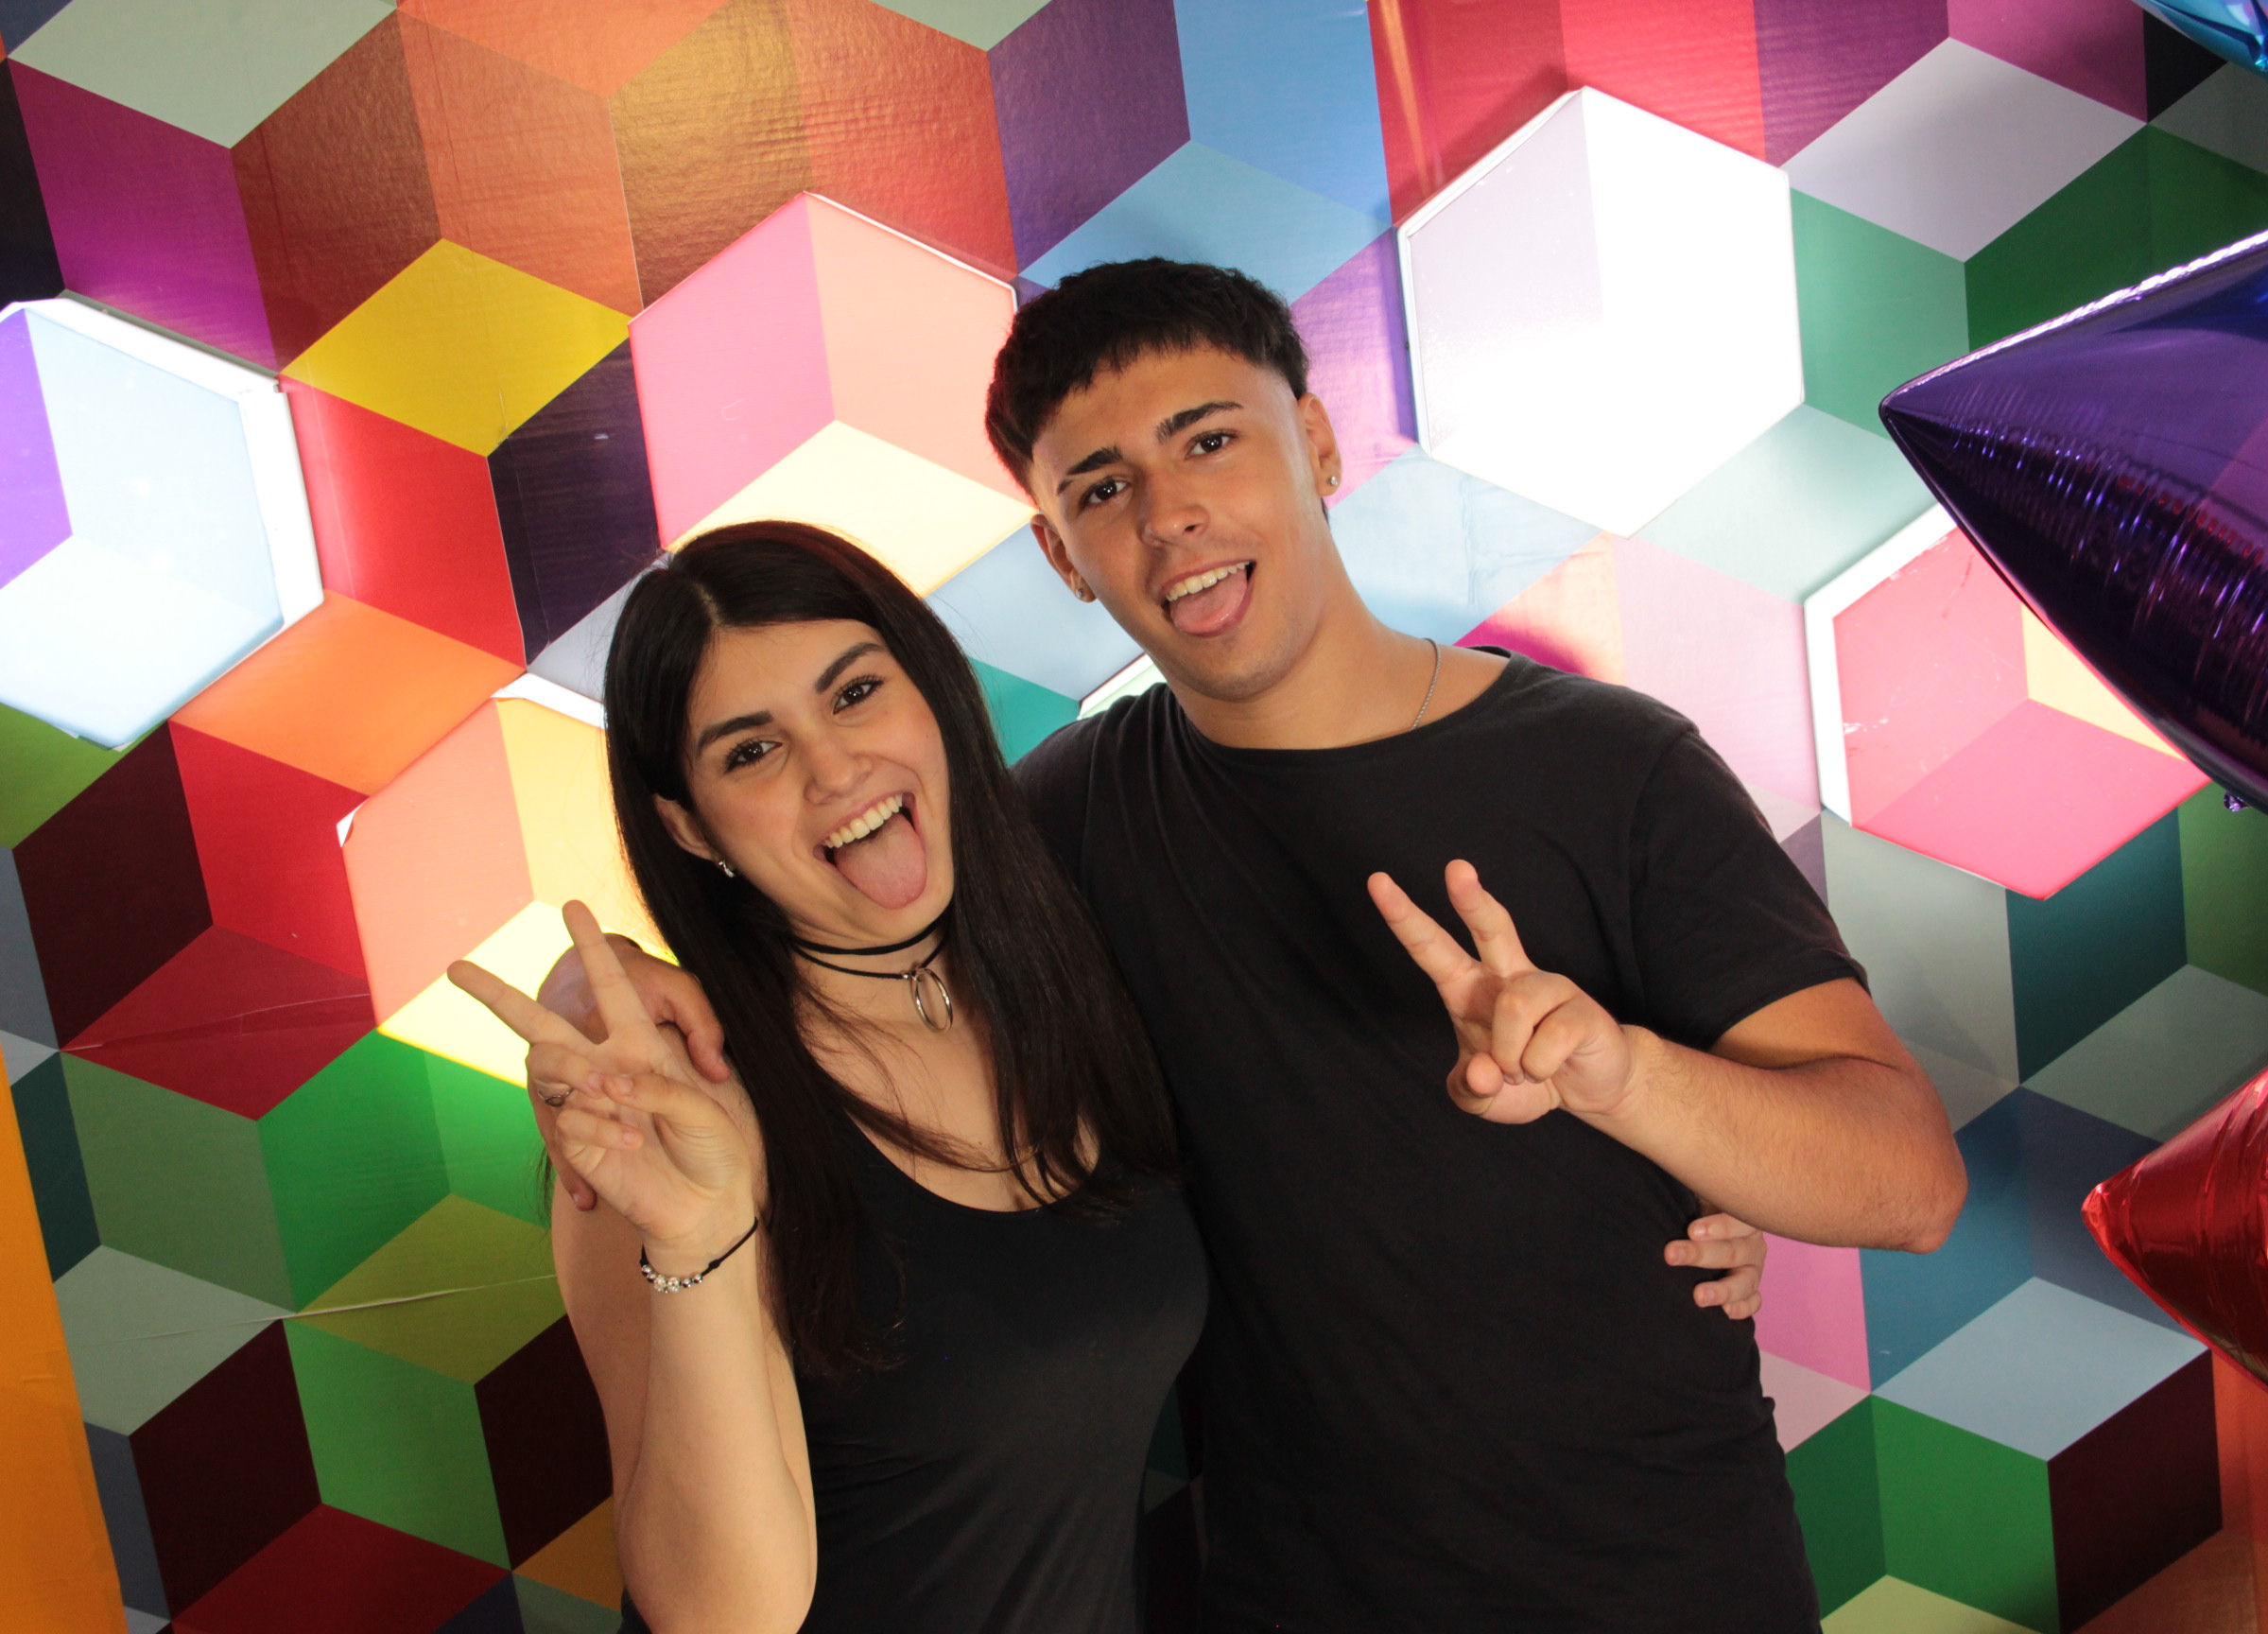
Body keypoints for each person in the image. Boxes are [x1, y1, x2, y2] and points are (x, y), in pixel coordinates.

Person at [567, 260, 1946, 1630]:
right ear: (1061, 556)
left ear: (1319, 443)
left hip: (1669, 1587)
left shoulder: (1612, 768)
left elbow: (1909, 1186)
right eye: (1101, 489)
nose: (1168, 515)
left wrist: (1633, 1085)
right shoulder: (1056, 831)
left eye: (1209, 441)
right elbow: (823, 898)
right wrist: (608, 981)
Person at [449, 524, 1206, 1634]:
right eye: (751, 751)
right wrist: (699, 1237)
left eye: (855, 693)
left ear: (932, 690)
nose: (836, 768)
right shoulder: (669, 1109)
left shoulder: (1072, 971)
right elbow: (723, 1618)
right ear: (687, 824)